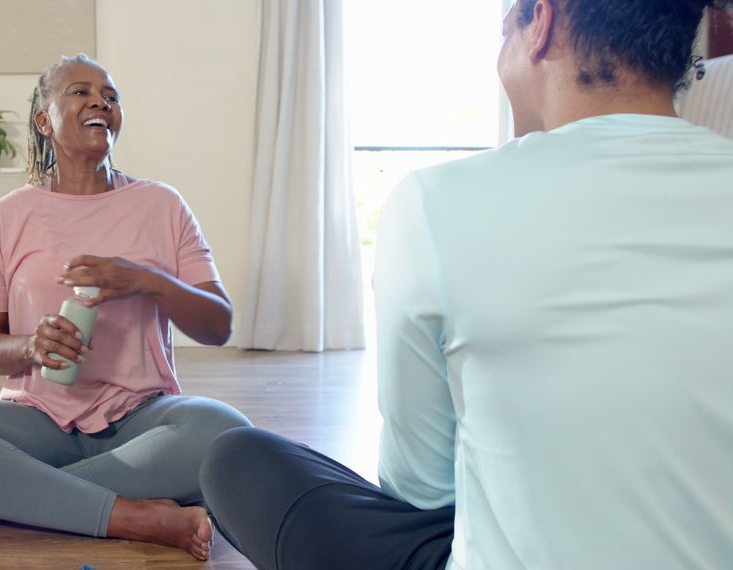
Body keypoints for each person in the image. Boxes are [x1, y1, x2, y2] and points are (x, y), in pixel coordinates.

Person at [200, 1, 733, 568]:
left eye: (504, 27)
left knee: (237, 460)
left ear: (541, 26)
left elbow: (420, 492)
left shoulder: (437, 202)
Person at [0, 53, 250, 560]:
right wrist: (30, 346)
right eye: (80, 91)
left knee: (225, 432)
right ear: (43, 119)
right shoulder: (4, 219)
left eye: (111, 95)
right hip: (36, 422)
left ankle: (10, 499)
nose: (100, 100)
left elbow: (219, 325)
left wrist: (145, 280)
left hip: (143, 421)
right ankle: (135, 515)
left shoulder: (162, 206)